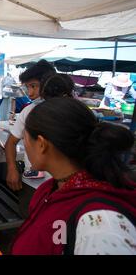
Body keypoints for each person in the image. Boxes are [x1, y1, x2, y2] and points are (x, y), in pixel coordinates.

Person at [11, 98, 136, 255]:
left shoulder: (101, 224)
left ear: (42, 144)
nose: (25, 143)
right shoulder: (51, 189)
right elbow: (57, 238)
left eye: (25, 138)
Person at [5, 61, 56, 191]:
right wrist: (12, 169)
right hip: (33, 184)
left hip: (63, 187)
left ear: (49, 83)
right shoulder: (28, 111)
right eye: (28, 87)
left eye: (34, 86)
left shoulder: (68, 110)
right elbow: (11, 142)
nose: (30, 93)